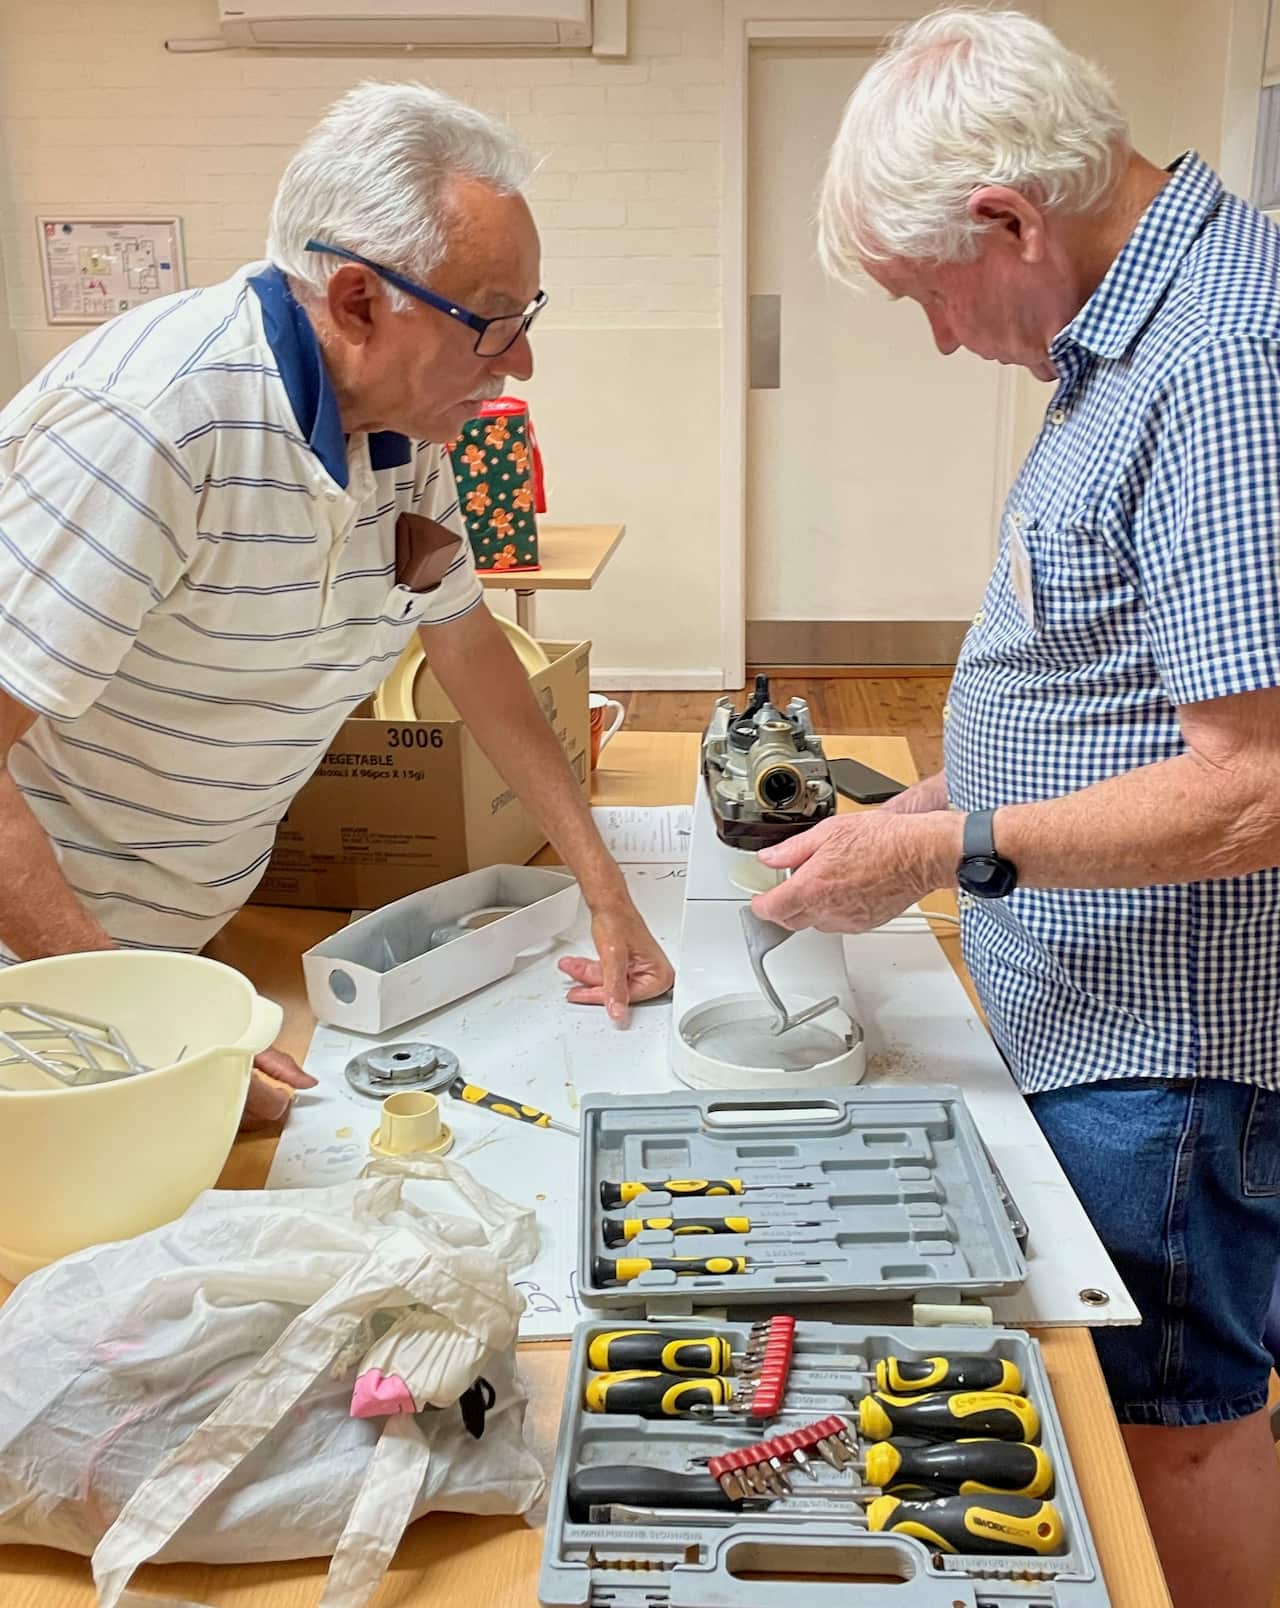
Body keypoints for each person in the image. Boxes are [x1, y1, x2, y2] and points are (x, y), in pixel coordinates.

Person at [752, 11, 1280, 1606]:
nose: (941, 341)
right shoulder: (1131, 330)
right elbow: (1120, 681)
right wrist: (936, 796)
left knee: (1169, 1424)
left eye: (930, 298)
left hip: (1164, 1040)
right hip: (1098, 1009)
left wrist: (948, 848)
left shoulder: (1213, 360)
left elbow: (1254, 785)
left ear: (1006, 222)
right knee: (1161, 1407)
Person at [0, 82, 673, 1128]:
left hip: (169, 948)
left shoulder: (406, 430)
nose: (521, 362)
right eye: (493, 325)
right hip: (43, 978)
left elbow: (467, 648)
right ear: (358, 302)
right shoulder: (152, 428)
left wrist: (602, 884)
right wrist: (138, 1032)